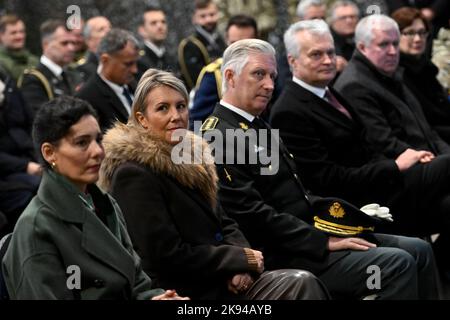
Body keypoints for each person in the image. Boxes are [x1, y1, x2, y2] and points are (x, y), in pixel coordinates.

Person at [202, 38, 440, 299]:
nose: (269, 85)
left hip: (306, 236)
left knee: (419, 249)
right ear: (230, 77)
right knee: (395, 264)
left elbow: (296, 195)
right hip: (285, 255)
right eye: (259, 74)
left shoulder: (256, 125)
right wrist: (321, 241)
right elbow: (251, 214)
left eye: (272, 75)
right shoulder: (220, 135)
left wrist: (349, 220)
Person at [98, 69, 329, 300]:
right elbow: (167, 256)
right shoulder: (133, 173)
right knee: (302, 285)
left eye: (181, 106)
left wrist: (243, 262)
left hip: (224, 279)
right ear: (142, 119)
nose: (176, 116)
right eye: (162, 108)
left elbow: (224, 220)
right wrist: (237, 260)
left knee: (303, 282)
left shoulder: (191, 155)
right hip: (186, 292)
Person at [269, 19, 450, 274]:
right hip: (359, 204)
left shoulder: (328, 92)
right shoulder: (290, 110)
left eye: (331, 52)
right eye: (316, 54)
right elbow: (327, 179)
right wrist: (394, 167)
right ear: (292, 61)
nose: (328, 60)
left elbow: (367, 145)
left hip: (382, 185)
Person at [1, 96, 189, 300]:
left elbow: (137, 282)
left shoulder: (105, 204)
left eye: (97, 140)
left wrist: (156, 298)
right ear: (49, 153)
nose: (98, 151)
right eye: (82, 143)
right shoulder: (36, 228)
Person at [334, 14, 450, 159]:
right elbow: (382, 142)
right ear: (362, 47)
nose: (393, 52)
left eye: (395, 43)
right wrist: (430, 158)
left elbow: (427, 129)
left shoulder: (389, 72)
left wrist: (445, 154)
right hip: (401, 168)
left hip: (428, 157)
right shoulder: (354, 85)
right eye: (383, 44)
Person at [391, 7, 450, 144]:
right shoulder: (397, 73)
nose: (418, 39)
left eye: (422, 32)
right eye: (410, 33)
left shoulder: (425, 66)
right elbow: (425, 124)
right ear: (395, 36)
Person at [190, 14, 258, 130]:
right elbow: (197, 124)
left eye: (246, 45)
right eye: (234, 44)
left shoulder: (269, 71)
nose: (238, 51)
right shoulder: (214, 75)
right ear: (226, 41)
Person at [0, 67, 40, 236]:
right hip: (6, 172)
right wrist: (26, 166)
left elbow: (32, 121)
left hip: (28, 154)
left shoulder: (6, 79)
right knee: (35, 189)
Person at [76, 29, 139, 132]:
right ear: (105, 60)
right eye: (128, 64)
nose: (134, 70)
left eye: (135, 63)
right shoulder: (86, 98)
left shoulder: (134, 85)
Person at [18, 19, 80, 116]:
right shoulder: (33, 80)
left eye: (73, 43)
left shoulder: (71, 74)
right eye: (64, 43)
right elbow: (40, 120)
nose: (71, 48)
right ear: (46, 45)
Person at [178, 0, 226, 91]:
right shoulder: (190, 45)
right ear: (194, 18)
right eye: (203, 16)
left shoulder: (220, 40)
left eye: (212, 14)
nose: (208, 20)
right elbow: (195, 82)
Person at [137, 6, 177, 79]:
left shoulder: (172, 57)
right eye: (153, 23)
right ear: (142, 30)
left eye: (163, 22)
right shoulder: (139, 61)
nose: (160, 26)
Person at [0, 15, 38, 81]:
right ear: (1, 36)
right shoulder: (1, 63)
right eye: (13, 33)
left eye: (21, 32)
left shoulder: (34, 60)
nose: (19, 36)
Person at [75, 16, 112, 84]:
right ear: (89, 40)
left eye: (109, 27)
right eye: (101, 29)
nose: (109, 31)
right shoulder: (82, 70)